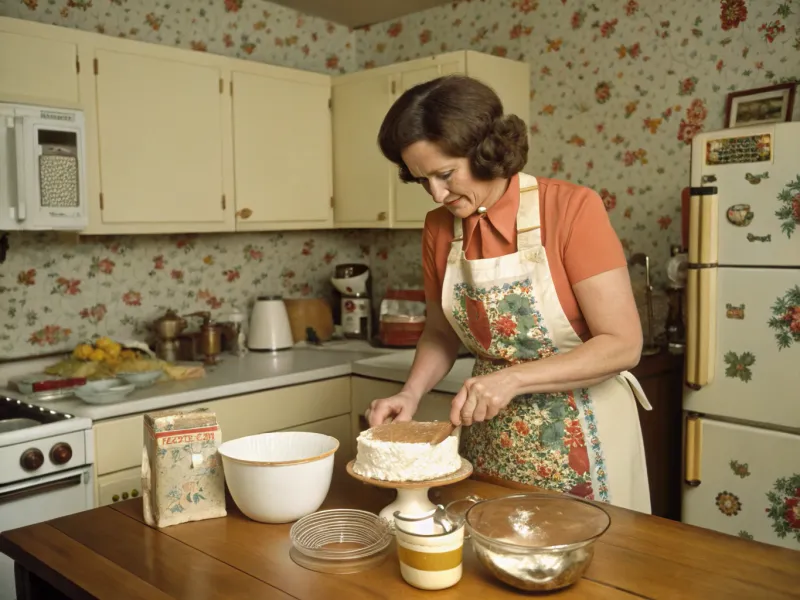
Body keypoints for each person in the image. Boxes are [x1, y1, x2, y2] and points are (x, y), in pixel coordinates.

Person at [366, 74, 652, 513]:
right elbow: (441, 333)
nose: (437, 194)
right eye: (423, 180)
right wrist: (410, 393)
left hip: (583, 435)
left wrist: (511, 379)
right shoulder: (439, 229)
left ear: (487, 151)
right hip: (491, 437)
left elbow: (623, 345)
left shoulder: (572, 208)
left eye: (445, 175)